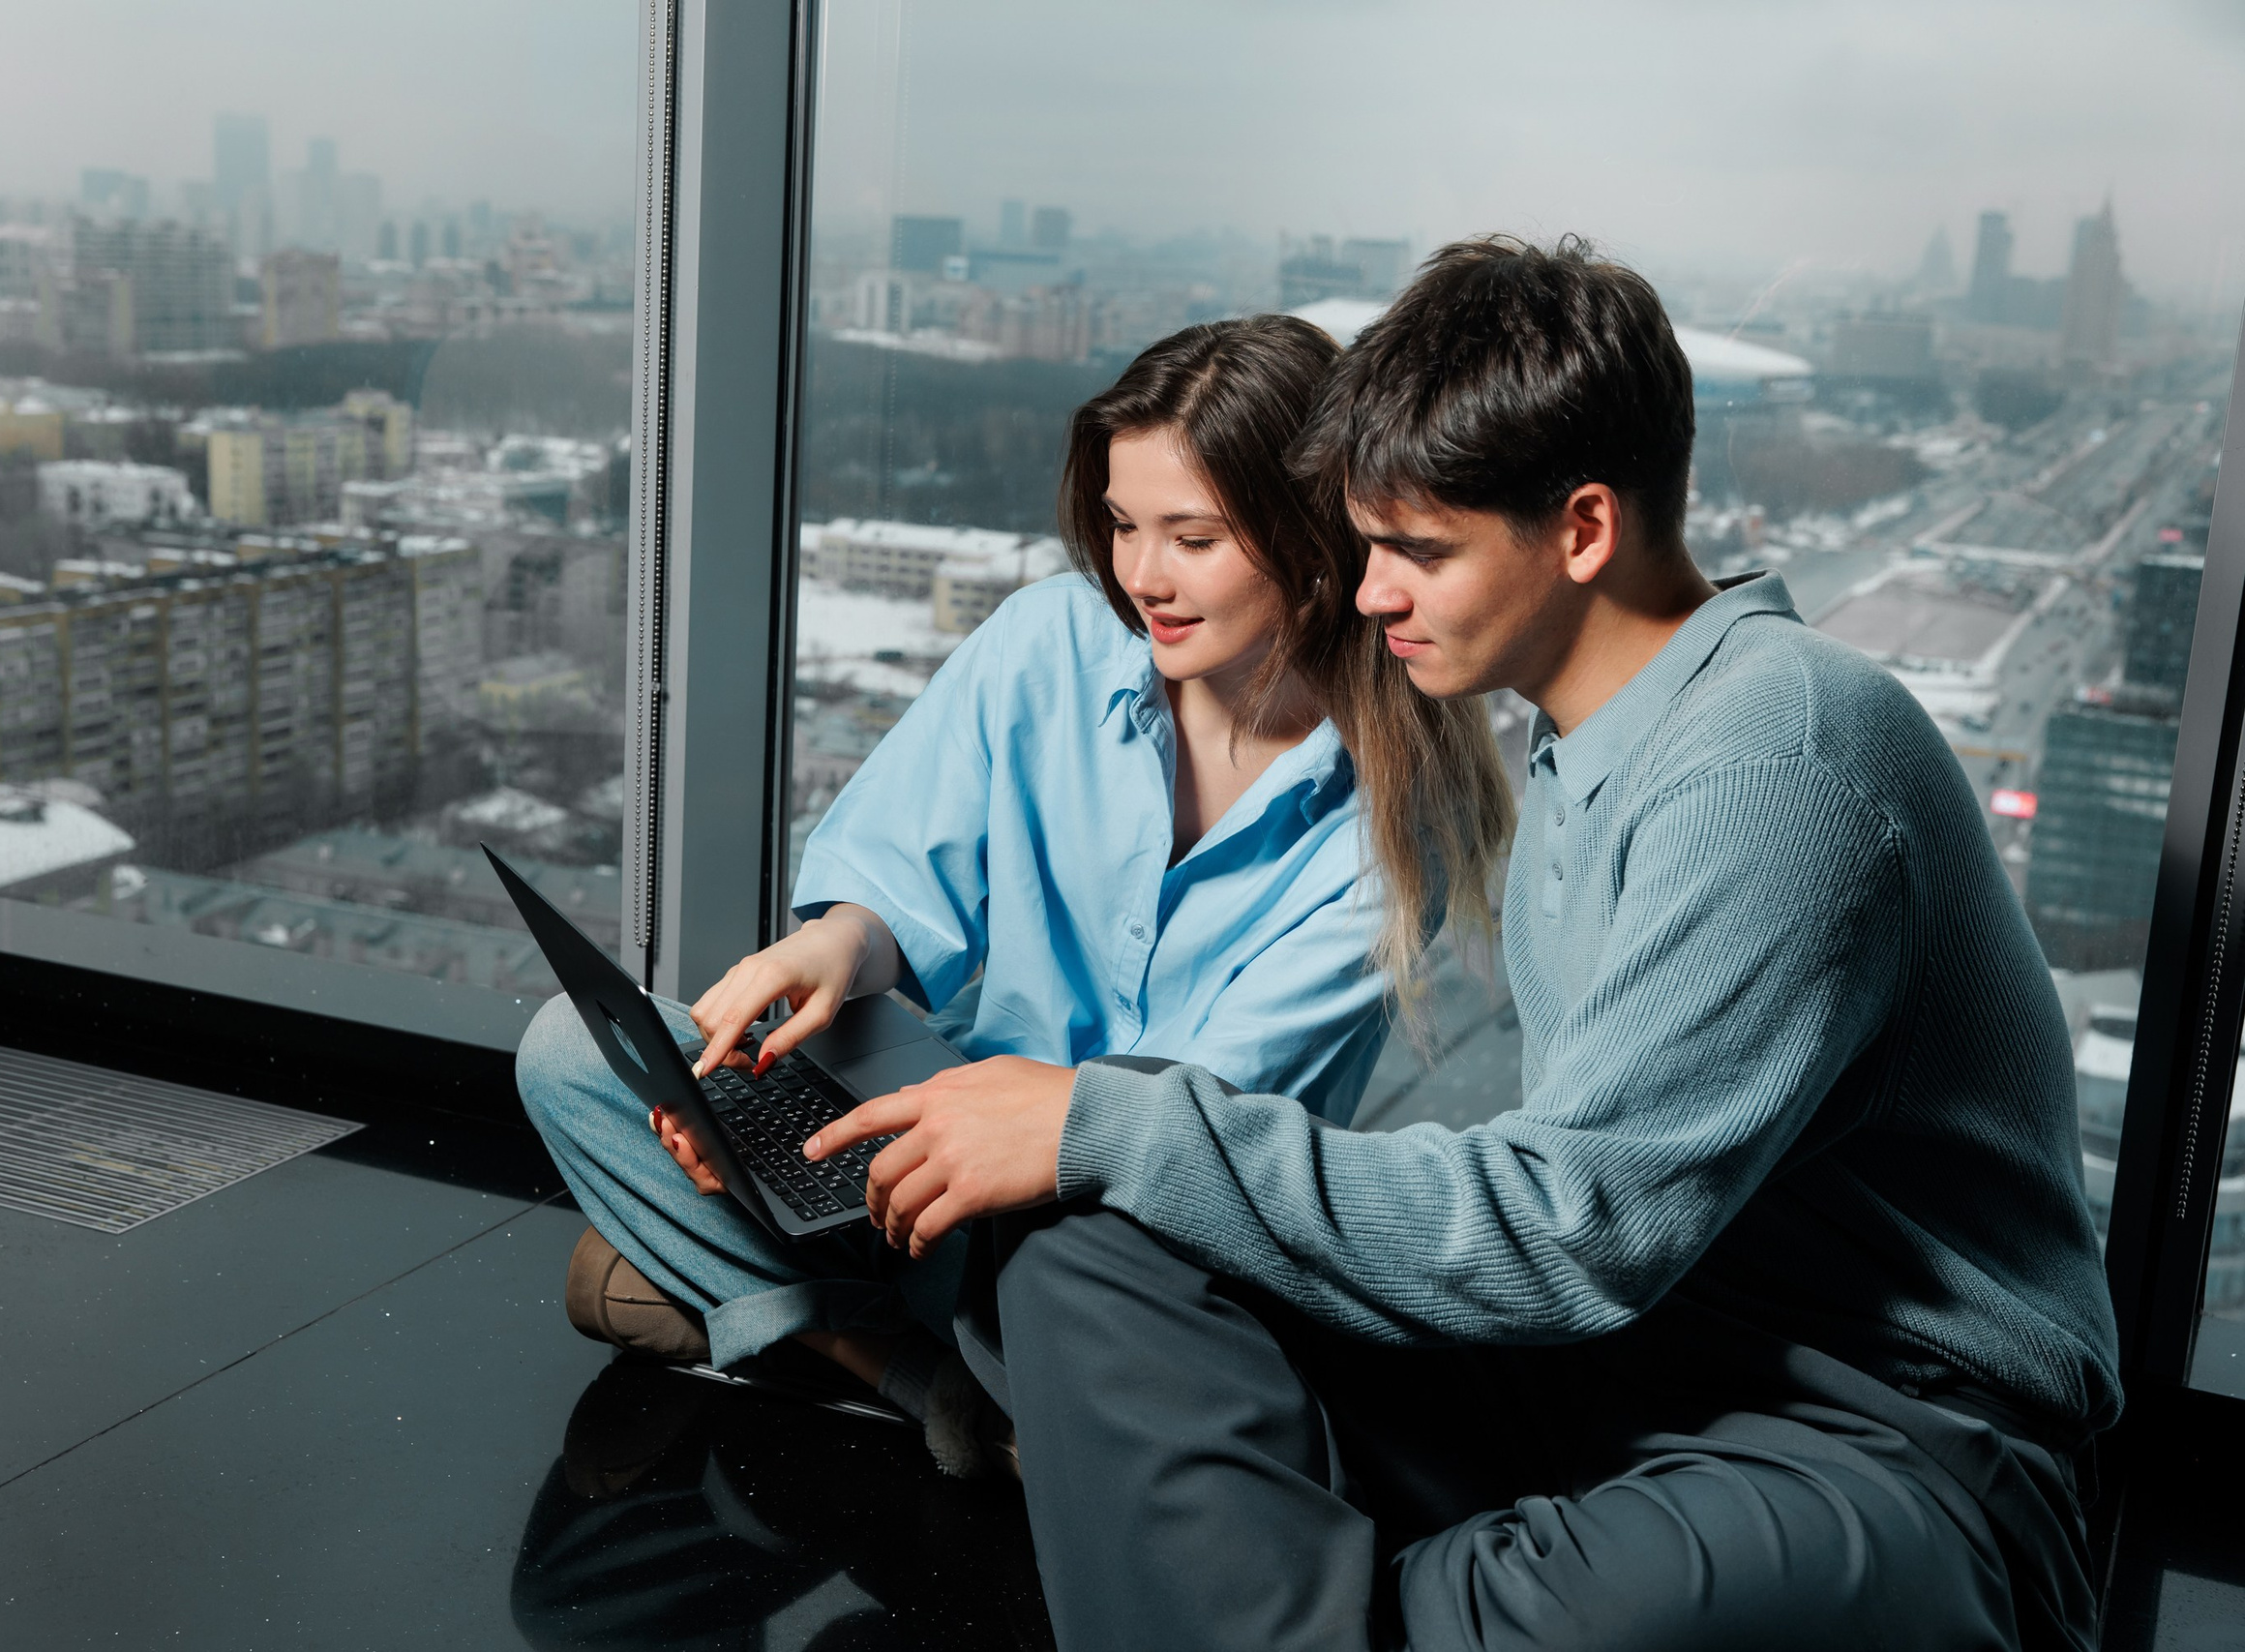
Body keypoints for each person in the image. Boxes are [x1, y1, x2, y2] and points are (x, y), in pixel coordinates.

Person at [804, 238, 2120, 1649]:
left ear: (1584, 529)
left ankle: (1282, 1586)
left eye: (1417, 550)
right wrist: (1099, 1146)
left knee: (1453, 1585)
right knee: (1085, 1249)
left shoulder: (1777, 755)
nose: (1367, 593)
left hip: (1888, 1435)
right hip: (1611, 1376)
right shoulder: (1579, 755)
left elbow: (1577, 1228)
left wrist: (1114, 1117)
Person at [513, 314, 1511, 1468]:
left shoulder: (1397, 814)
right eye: (1124, 525)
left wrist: (877, 1156)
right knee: (569, 1054)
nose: (1142, 575)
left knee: (1090, 1284)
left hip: (1141, 1226)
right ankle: (911, 1372)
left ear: (1311, 540)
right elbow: (898, 876)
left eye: (1192, 537)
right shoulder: (1046, 644)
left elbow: (1188, 1120)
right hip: (935, 1130)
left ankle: (794, 1313)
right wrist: (841, 946)